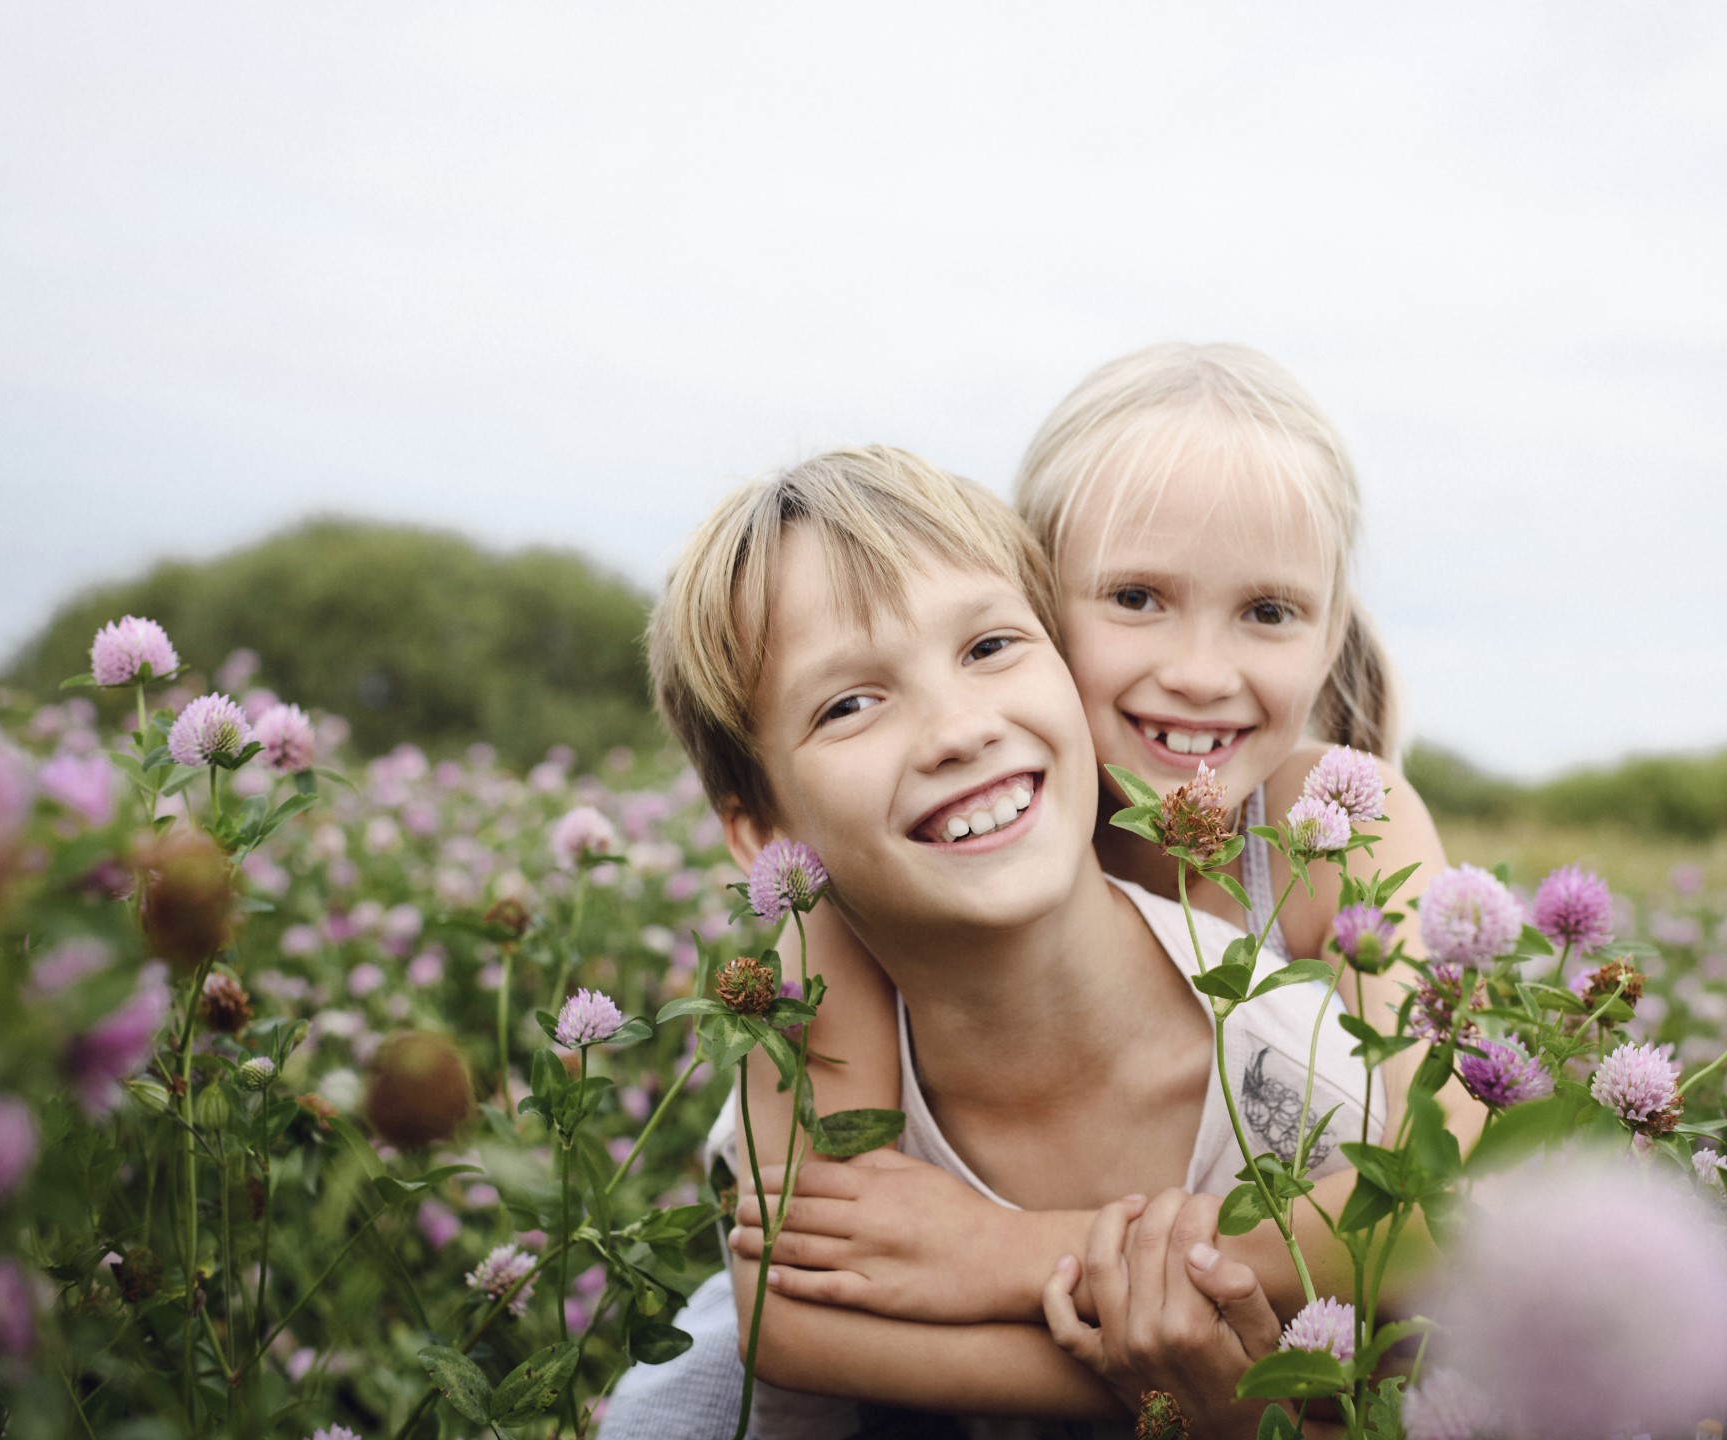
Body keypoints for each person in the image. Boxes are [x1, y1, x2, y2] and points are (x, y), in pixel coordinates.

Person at [606, 438, 1459, 1437]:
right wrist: (1177, 1391)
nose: (958, 729)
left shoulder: (1317, 1085)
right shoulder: (820, 975)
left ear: (1064, 667)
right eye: (849, 704)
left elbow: (1417, 1342)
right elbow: (789, 1322)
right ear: (763, 831)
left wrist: (1207, 1393)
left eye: (989, 648)